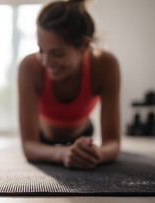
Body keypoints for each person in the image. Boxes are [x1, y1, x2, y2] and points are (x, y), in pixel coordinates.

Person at [18, 0, 120, 169]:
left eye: (57, 54)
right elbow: (29, 145)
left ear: (84, 46)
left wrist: (96, 154)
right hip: (44, 139)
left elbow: (113, 142)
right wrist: (63, 153)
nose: (46, 62)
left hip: (83, 135)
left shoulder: (106, 65)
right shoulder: (29, 67)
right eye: (41, 50)